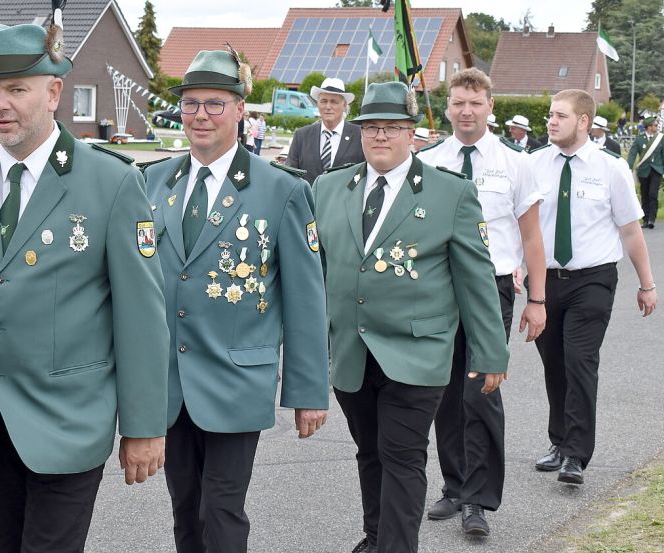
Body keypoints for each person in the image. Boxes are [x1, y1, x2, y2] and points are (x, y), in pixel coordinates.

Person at [0, 23, 168, 553]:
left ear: (54, 92)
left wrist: (144, 424)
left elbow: (140, 314)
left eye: (17, 89)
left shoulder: (110, 182)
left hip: (68, 417)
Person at [142, 49, 330, 553]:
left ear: (242, 109)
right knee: (184, 509)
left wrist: (308, 390)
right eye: (190, 104)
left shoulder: (281, 190)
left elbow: (306, 299)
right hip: (168, 384)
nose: (200, 115)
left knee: (221, 510)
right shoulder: (152, 182)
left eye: (215, 104)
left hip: (235, 380)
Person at [313, 81, 510, 553]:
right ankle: (377, 536)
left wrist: (490, 351)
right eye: (372, 127)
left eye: (393, 127)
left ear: (412, 132)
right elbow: (314, 271)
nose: (381, 136)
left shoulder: (450, 193)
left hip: (417, 353)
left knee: (401, 455)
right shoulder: (328, 187)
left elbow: (477, 279)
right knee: (369, 452)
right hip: (351, 352)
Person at [417, 68, 547, 537]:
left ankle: (479, 500)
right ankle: (454, 486)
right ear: (448, 107)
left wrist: (537, 298)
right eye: (458, 103)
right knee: (444, 392)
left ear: (490, 106)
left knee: (482, 390)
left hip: (490, 289)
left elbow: (532, 238)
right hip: (436, 288)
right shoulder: (428, 159)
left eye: (475, 103)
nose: (466, 111)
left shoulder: (515, 162)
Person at [530, 89, 657, 486]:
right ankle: (559, 440)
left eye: (561, 115)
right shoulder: (532, 165)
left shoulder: (611, 168)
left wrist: (647, 284)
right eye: (550, 114)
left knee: (579, 362)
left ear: (583, 121)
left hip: (593, 280)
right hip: (546, 280)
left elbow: (631, 230)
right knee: (554, 364)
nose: (551, 121)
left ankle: (576, 455)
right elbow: (521, 224)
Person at [286, 77, 363, 184]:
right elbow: (290, 175)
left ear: (344, 105)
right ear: (318, 104)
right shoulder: (302, 136)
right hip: (308, 200)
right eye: (323, 101)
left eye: (334, 102)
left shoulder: (360, 135)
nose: (328, 106)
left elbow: (364, 173)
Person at [626, 116, 663, 229]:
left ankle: (652, 219)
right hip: (643, 171)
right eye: (655, 125)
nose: (657, 127)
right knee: (645, 195)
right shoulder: (639, 139)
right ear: (649, 127)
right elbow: (632, 155)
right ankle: (645, 219)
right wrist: (628, 168)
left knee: (653, 194)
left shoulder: (660, 138)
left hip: (656, 170)